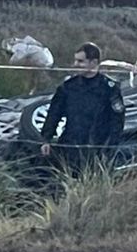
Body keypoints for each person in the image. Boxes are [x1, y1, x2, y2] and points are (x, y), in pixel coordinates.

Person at [39, 42, 124, 174]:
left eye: (80, 61)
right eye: (75, 60)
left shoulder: (109, 89)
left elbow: (117, 123)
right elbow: (53, 114)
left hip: (97, 149)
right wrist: (46, 139)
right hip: (70, 148)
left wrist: (109, 150)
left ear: (93, 62)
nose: (75, 64)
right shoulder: (68, 87)